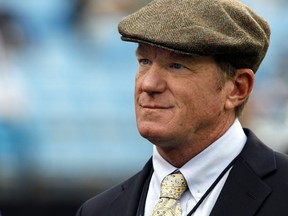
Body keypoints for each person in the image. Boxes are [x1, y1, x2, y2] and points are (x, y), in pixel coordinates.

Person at [76, 0, 288, 215]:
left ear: (237, 88)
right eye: (144, 61)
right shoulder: (97, 211)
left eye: (176, 66)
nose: (148, 84)